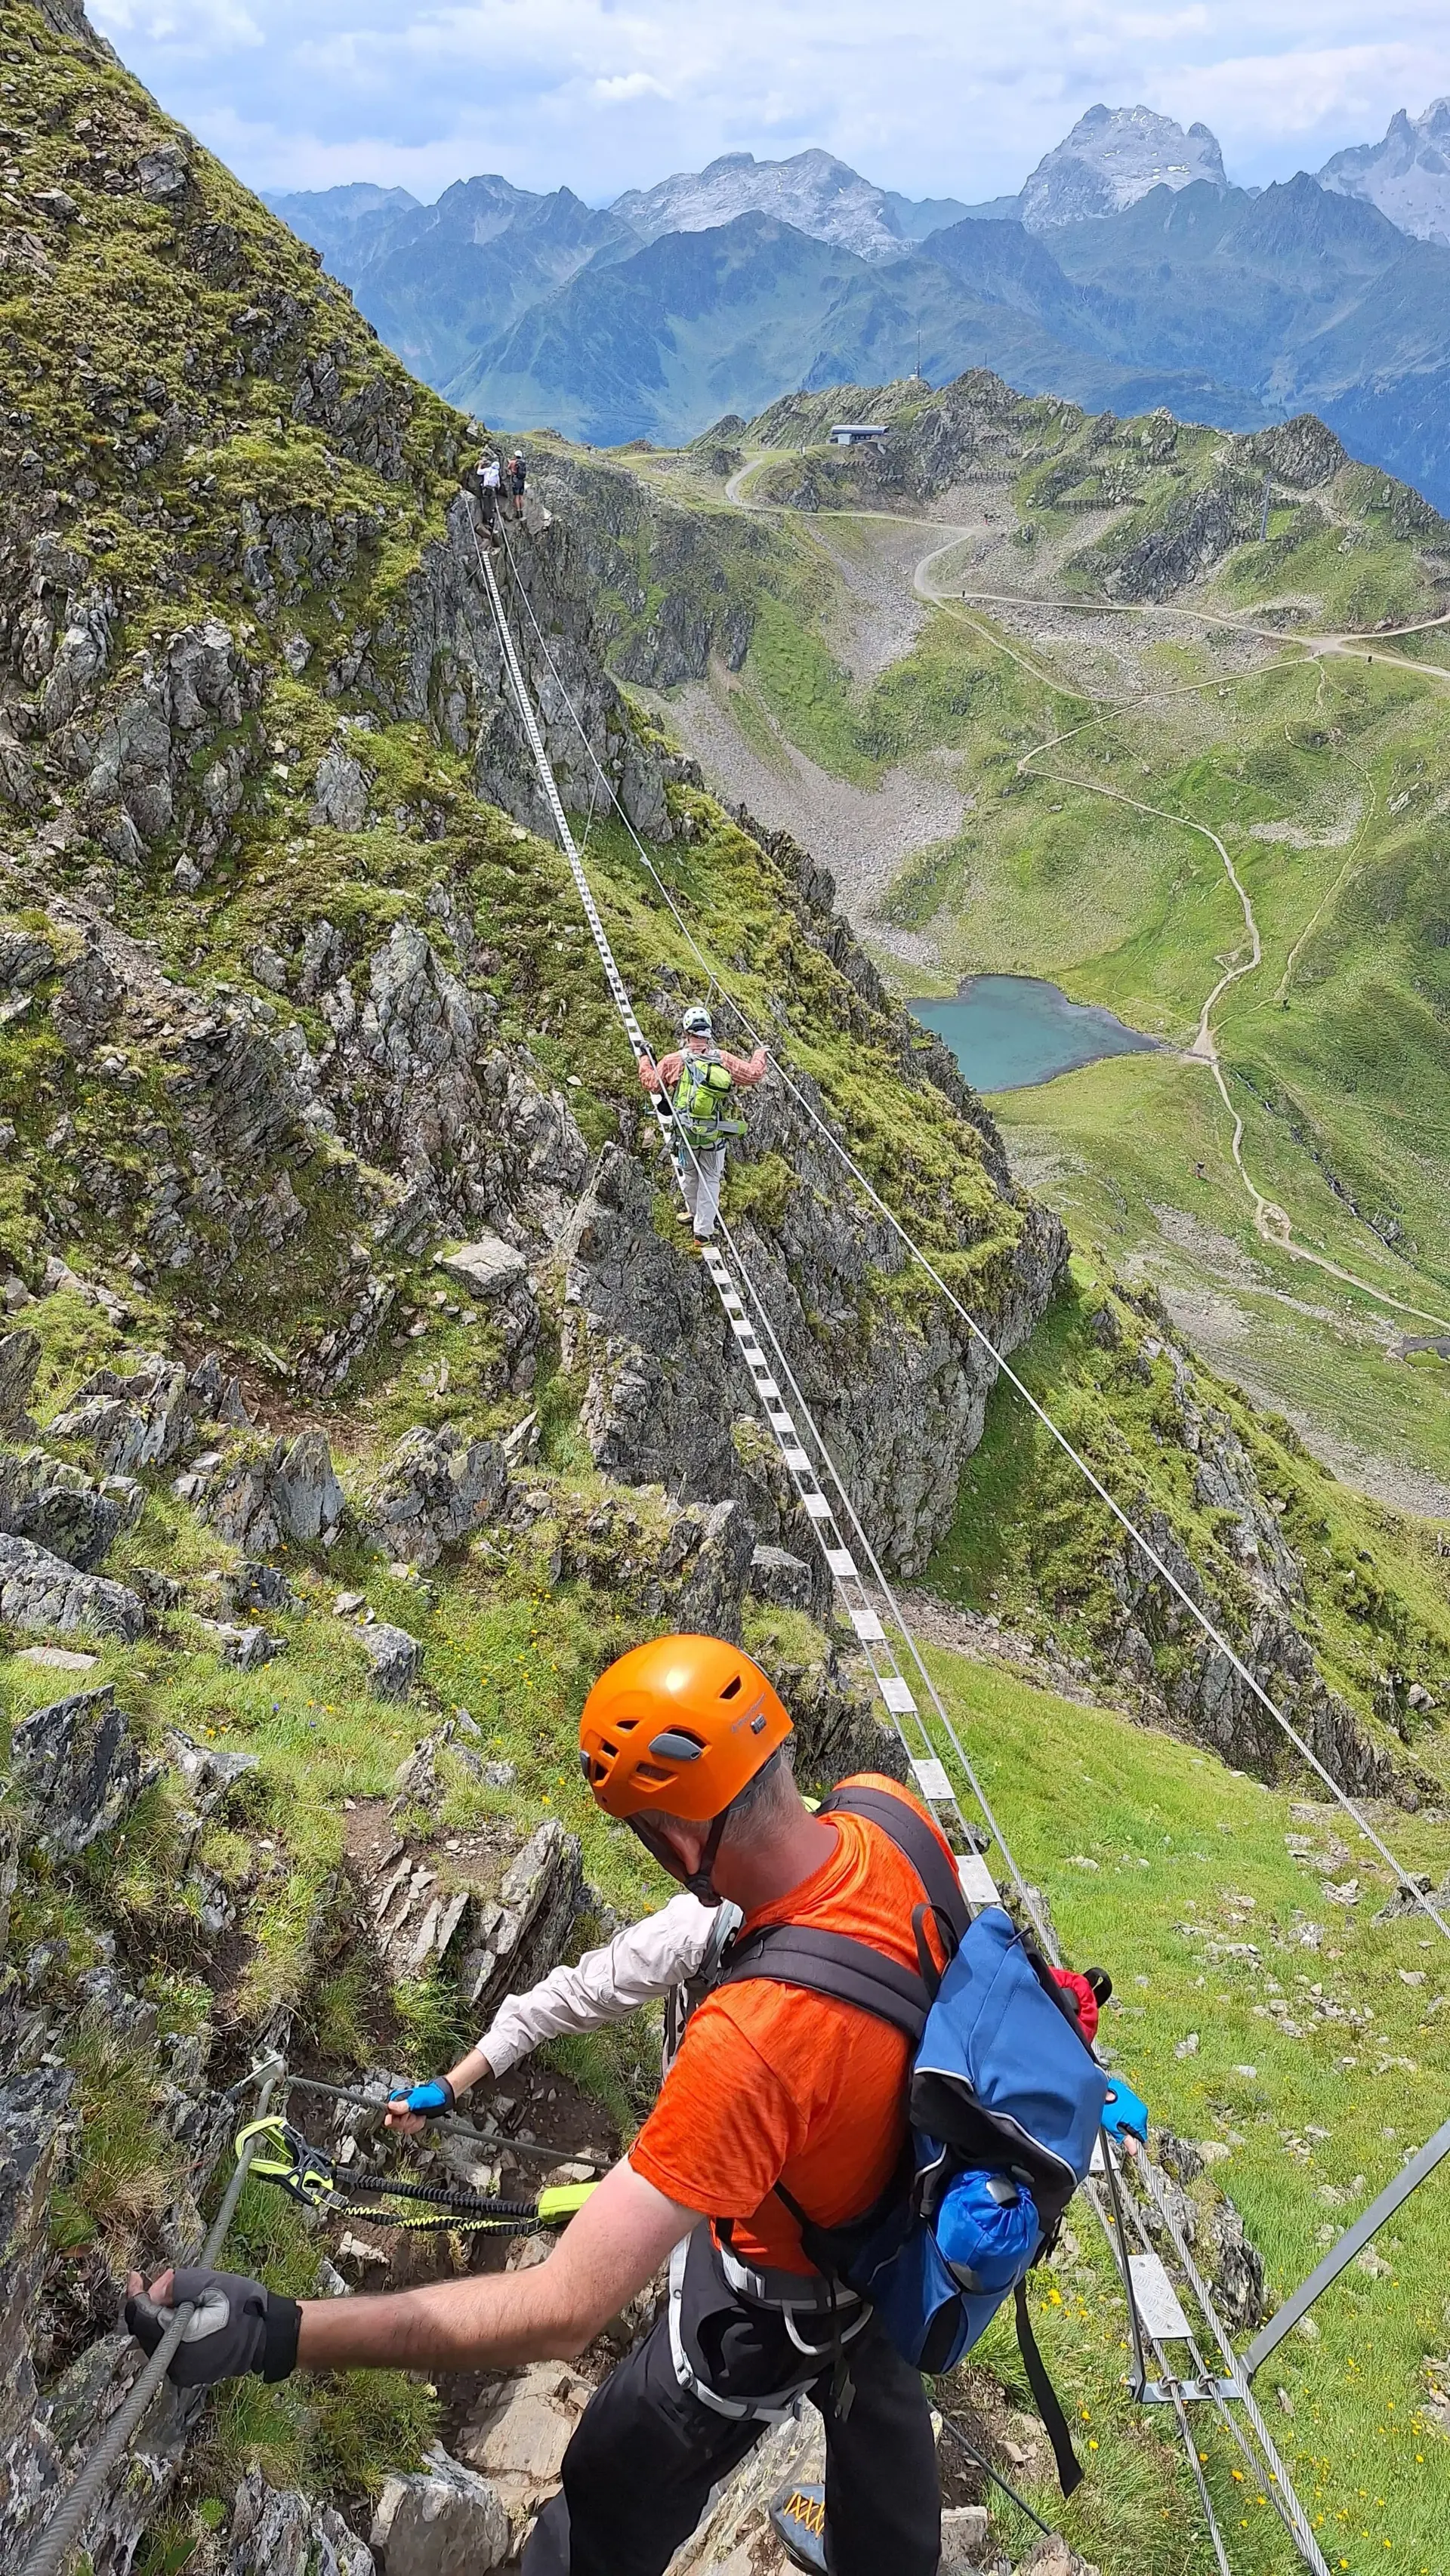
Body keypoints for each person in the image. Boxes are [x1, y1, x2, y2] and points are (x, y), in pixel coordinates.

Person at [126, 1635, 955, 2575]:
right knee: (889, 2481)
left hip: (763, 2303)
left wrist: (276, 2331)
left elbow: (563, 2310)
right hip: (902, 2240)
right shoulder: (889, 1817)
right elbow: (587, 1989)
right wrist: (463, 2078)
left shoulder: (755, 2041)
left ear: (676, 1837)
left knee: (608, 2487)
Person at [383, 1883, 738, 2132]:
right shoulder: (705, 1926)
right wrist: (448, 2088)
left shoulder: (708, 1923)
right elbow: (571, 1996)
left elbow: (573, 1995)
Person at [639, 1004, 767, 1244]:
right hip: (713, 1134)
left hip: (685, 1132)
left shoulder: (674, 1061)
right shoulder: (722, 1059)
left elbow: (650, 1083)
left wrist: (645, 1059)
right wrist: (760, 1054)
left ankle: (694, 1213)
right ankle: (703, 1231)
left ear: (686, 1034)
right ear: (708, 1033)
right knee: (710, 1178)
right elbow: (753, 1075)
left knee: (689, 1174)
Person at [508, 450, 527, 520]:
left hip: (516, 480)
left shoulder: (513, 462)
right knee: (521, 497)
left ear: (515, 455)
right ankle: (522, 511)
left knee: (516, 496)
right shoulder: (523, 463)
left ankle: (518, 511)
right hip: (522, 481)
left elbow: (508, 467)